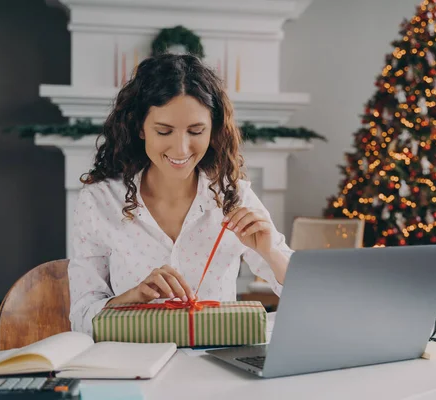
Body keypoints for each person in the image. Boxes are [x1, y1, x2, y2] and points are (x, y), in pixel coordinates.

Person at [68, 53, 293, 335]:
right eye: (164, 131)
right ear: (140, 128)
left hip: (217, 365)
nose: (181, 149)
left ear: (214, 130)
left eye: (196, 131)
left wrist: (270, 252)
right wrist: (133, 297)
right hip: (133, 365)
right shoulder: (99, 202)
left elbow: (309, 299)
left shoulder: (234, 196)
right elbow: (81, 318)